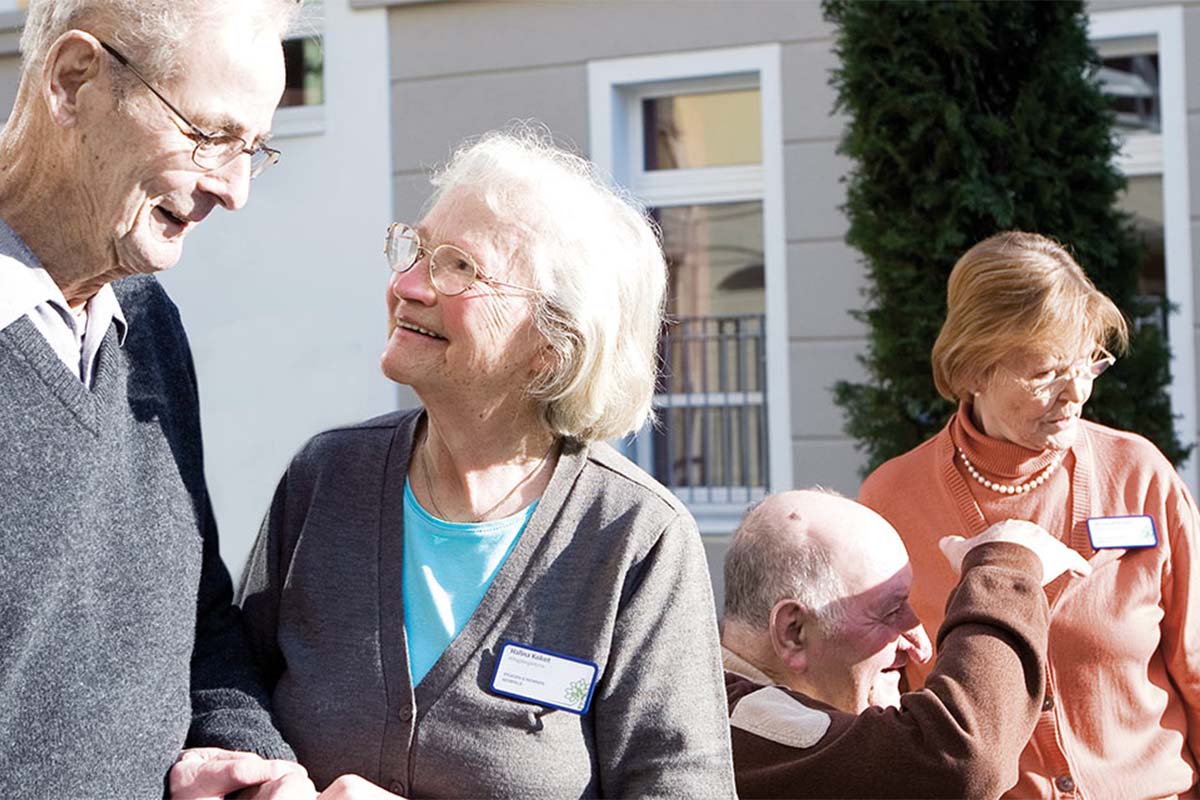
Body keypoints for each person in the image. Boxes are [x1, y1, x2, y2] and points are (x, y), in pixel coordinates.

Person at [237, 129, 737, 798]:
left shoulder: (634, 539)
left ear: (553, 345)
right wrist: (264, 770)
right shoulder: (328, 479)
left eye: (459, 268)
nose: (407, 285)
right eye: (415, 251)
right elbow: (231, 684)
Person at [0, 1, 314, 797]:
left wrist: (249, 763)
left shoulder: (146, 324)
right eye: (210, 135)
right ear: (75, 82)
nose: (236, 190)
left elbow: (197, 614)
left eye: (253, 149)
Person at [859, 231, 1200, 798]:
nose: (1076, 392)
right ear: (972, 370)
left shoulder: (1140, 475)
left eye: (1089, 362)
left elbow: (1196, 662)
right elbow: (871, 693)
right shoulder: (891, 499)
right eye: (1045, 372)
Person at [722, 489, 1088, 798]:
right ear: (794, 631)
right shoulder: (732, 726)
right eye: (890, 611)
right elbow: (962, 761)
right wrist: (1007, 569)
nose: (919, 645)